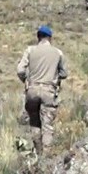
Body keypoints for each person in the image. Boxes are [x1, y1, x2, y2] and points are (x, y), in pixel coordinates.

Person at [17, 25, 68, 156]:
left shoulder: (29, 50)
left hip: (32, 90)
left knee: (34, 122)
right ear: (50, 38)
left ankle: (38, 153)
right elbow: (64, 73)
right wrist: (54, 76)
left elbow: (20, 70)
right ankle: (46, 158)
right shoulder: (58, 53)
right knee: (47, 126)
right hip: (49, 91)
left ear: (38, 37)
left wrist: (26, 80)